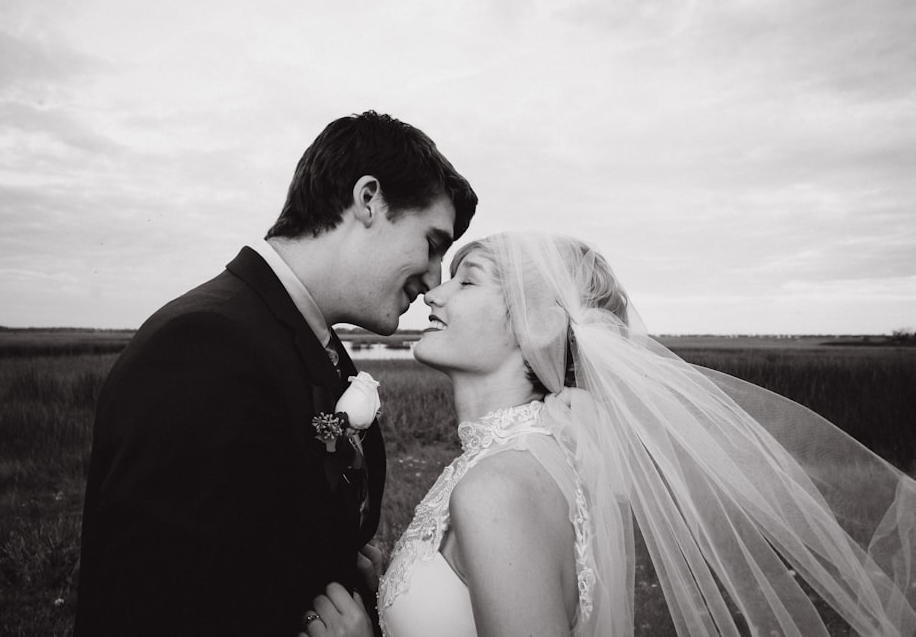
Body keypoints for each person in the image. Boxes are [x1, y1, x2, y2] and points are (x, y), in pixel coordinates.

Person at [306, 232, 916, 637]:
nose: (432, 293)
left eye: (469, 282)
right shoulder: (528, 455)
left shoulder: (499, 486)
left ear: (540, 327)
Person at [74, 111, 478, 636]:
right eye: (432, 244)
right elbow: (159, 604)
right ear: (369, 200)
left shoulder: (312, 342)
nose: (432, 281)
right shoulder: (203, 346)